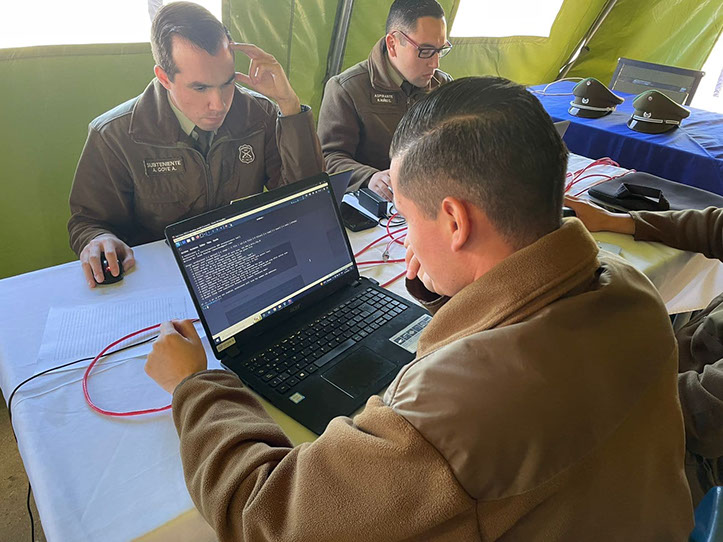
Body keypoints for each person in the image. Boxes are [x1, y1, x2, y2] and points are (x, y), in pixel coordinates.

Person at [145, 77, 693, 540]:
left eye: (406, 218)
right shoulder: (632, 291)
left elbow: (266, 514)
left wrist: (195, 383)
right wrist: (455, 288)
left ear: (455, 222)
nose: (405, 238)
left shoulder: (447, 416)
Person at [68, 1, 323, 288]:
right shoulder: (115, 135)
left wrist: (289, 105)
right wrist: (98, 238)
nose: (219, 104)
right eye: (200, 88)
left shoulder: (259, 114)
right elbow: (88, 221)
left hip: (243, 269)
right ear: (164, 78)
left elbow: (309, 201)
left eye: (227, 83)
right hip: (162, 282)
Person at [566, 196, 723, 506]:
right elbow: (715, 226)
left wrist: (603, 384)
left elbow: (705, 416)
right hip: (675, 383)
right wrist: (617, 221)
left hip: (693, 453)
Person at [317, 0, 452, 201]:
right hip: (370, 206)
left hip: (428, 200)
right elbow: (329, 158)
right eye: (425, 51)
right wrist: (370, 177)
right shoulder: (347, 89)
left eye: (440, 50)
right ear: (392, 44)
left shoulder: (443, 86)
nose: (435, 63)